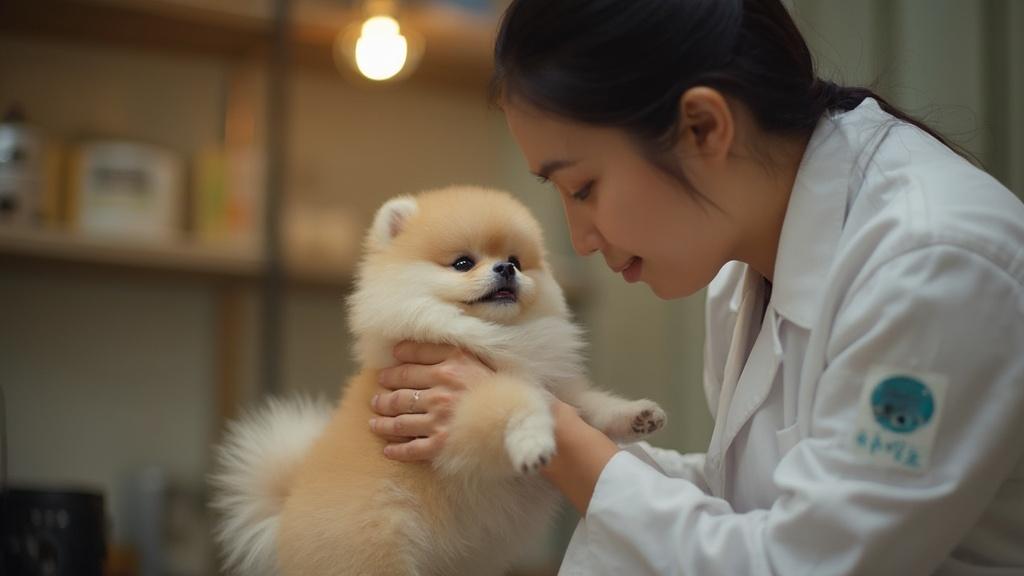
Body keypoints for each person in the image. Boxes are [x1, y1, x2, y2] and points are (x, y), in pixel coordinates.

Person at [369, 0, 1024, 573]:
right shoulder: (745, 273)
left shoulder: (934, 266)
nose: (583, 238)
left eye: (583, 188)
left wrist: (546, 428)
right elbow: (751, 503)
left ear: (704, 126)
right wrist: (534, 435)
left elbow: (800, 563)